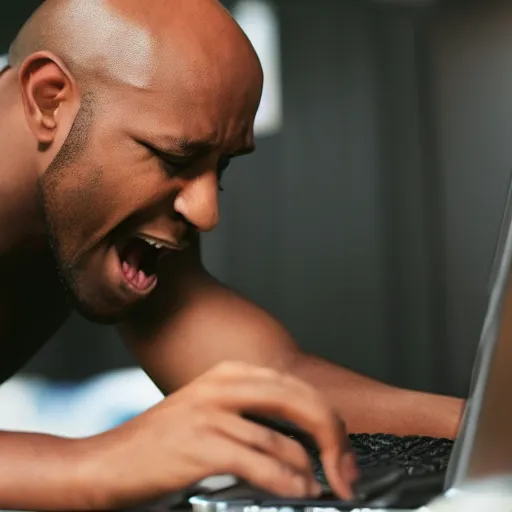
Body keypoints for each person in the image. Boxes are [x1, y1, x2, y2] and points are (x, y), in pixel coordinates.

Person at [0, 0, 464, 509]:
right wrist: (94, 464)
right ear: (48, 100)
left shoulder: (110, 206)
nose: (205, 213)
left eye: (217, 167)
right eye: (176, 157)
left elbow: (276, 378)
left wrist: (480, 425)